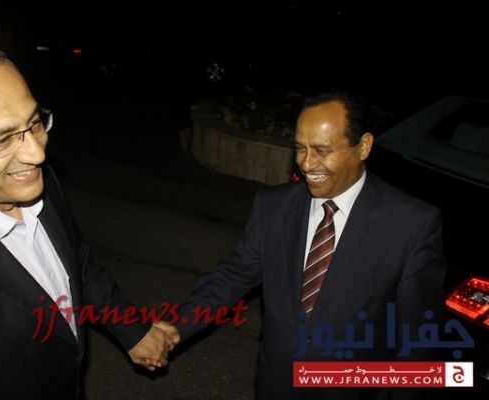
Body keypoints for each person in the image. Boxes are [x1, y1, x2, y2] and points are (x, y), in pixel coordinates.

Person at [0, 39, 173, 399]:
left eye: (35, 123)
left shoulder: (35, 179)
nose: (36, 153)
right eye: (1, 141)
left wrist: (131, 329)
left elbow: (78, 261)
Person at [155, 89, 448, 399]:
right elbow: (235, 275)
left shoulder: (411, 224)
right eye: (300, 148)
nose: (306, 163)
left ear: (363, 146)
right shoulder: (272, 207)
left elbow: (419, 339)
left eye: (322, 150)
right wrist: (177, 327)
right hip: (276, 384)